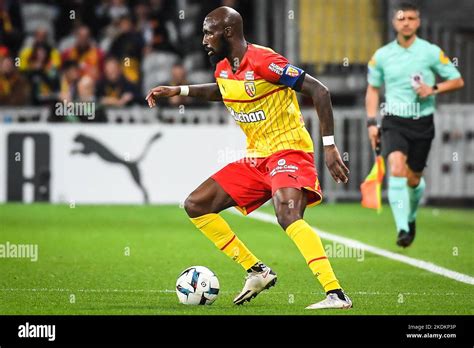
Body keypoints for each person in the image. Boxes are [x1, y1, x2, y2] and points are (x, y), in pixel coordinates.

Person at [146, 6, 351, 309]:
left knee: (286, 213)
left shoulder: (265, 61)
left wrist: (330, 147)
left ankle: (335, 294)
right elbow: (223, 91)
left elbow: (319, 91)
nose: (204, 39)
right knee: (196, 204)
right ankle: (257, 271)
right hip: (256, 158)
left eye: (208, 32)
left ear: (227, 32)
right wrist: (179, 90)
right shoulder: (223, 68)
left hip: (288, 149)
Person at [365, 2, 464, 248]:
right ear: (394, 23)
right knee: (396, 168)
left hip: (422, 121)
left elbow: (457, 80)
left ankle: (410, 217)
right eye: (402, 18)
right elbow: (373, 90)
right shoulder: (382, 55)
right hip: (394, 120)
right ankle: (402, 229)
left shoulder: (430, 52)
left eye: (411, 18)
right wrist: (371, 122)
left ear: (418, 22)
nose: (406, 22)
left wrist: (433, 89)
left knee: (413, 179)